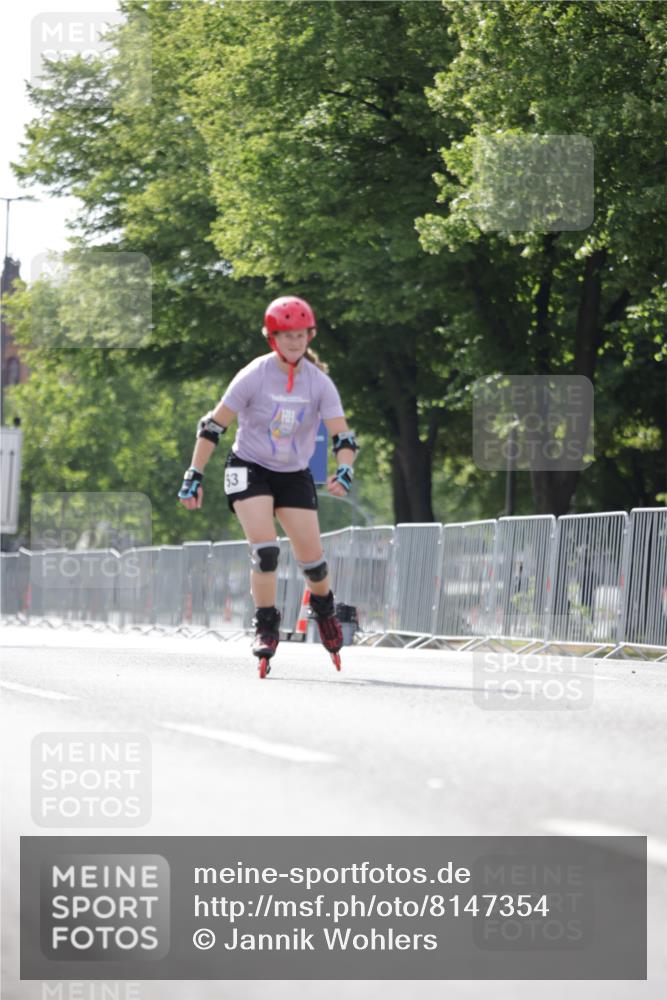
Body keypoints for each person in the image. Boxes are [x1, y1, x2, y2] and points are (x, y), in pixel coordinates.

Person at [177, 295, 359, 671]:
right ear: (271, 337)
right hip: (249, 466)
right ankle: (265, 625)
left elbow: (342, 436)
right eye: (286, 335)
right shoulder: (254, 375)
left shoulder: (319, 383)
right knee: (266, 552)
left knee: (314, 565)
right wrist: (194, 474)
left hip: (293, 472)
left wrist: (345, 469)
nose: (294, 342)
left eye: (300, 335)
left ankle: (323, 608)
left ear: (310, 335)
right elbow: (213, 426)